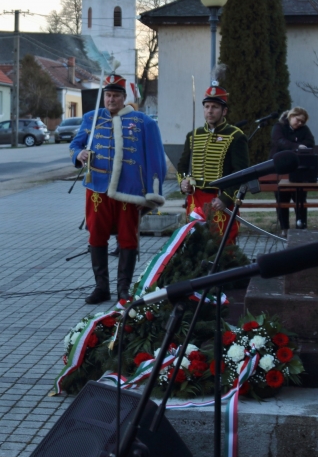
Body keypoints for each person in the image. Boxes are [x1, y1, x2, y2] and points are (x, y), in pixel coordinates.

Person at [69, 73, 168, 304]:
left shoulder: (143, 121)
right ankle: (101, 287)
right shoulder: (92, 118)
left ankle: (123, 288)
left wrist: (153, 189)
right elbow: (75, 144)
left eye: (115, 96)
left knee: (127, 237)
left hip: (128, 190)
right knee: (96, 235)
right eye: (108, 95)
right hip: (97, 189)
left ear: (124, 97)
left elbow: (156, 157)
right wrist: (78, 154)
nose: (111, 100)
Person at [177, 83, 249, 245]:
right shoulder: (193, 135)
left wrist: (226, 198)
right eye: (207, 106)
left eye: (215, 107)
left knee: (222, 243)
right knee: (194, 243)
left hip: (219, 200)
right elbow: (182, 166)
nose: (210, 111)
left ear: (224, 111)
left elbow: (242, 172)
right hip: (196, 199)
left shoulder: (236, 136)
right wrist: (183, 182)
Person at [270, 107, 316, 237]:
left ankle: (301, 227)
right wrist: (296, 146)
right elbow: (279, 141)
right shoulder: (279, 127)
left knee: (300, 199)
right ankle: (284, 228)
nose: (300, 123)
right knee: (282, 200)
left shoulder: (304, 130)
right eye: (298, 120)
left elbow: (310, 143)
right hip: (280, 168)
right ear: (291, 116)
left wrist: (298, 145)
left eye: (302, 122)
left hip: (299, 170)